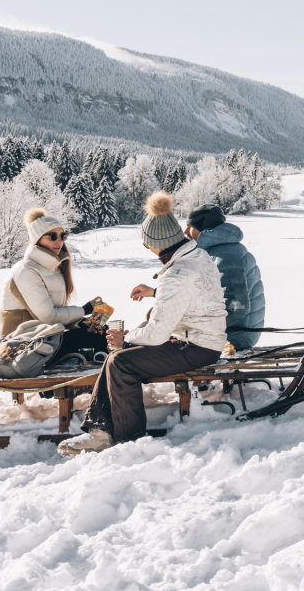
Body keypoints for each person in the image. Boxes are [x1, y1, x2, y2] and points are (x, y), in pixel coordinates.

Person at [60, 191, 227, 456]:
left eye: (146, 244)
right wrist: (155, 293)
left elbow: (157, 333)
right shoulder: (195, 255)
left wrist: (125, 338)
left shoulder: (177, 274)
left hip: (197, 345)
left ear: (156, 244)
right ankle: (100, 430)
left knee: (121, 362)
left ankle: (130, 441)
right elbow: (191, 295)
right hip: (204, 337)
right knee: (120, 356)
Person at [0, 209, 105, 359]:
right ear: (37, 239)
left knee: (100, 330)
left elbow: (55, 314)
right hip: (20, 348)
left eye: (63, 236)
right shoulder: (26, 271)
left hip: (42, 339)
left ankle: (98, 363)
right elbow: (49, 318)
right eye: (53, 236)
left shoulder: (52, 270)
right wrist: (84, 309)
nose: (59, 241)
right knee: (98, 336)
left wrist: (81, 323)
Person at [185, 203, 267, 352]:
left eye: (189, 226)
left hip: (235, 335)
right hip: (228, 331)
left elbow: (236, 306)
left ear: (202, 227)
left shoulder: (225, 255)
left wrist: (195, 323)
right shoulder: (216, 251)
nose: (185, 232)